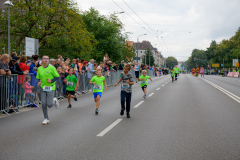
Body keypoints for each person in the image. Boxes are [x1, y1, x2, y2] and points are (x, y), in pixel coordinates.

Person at [36, 55, 60, 125]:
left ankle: (54, 101)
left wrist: (51, 81)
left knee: (49, 104)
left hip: (50, 87)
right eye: (44, 58)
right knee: (43, 103)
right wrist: (38, 82)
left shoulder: (52, 68)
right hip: (43, 88)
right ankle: (46, 118)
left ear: (48, 60)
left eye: (47, 59)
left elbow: (57, 76)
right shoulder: (39, 68)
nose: (46, 60)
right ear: (42, 60)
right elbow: (37, 77)